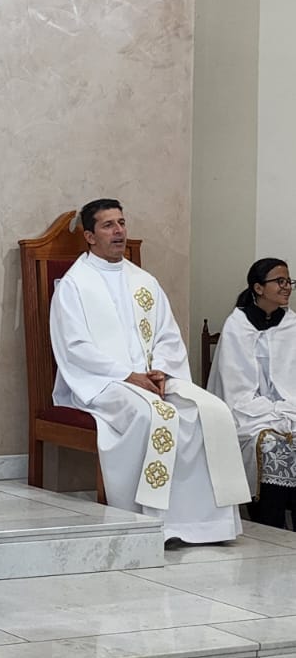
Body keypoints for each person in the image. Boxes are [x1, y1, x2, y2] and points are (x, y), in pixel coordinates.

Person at [50, 198, 249, 543]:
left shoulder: (144, 281)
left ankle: (206, 525)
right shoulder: (74, 284)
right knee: (153, 415)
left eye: (122, 223)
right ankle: (150, 522)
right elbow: (75, 347)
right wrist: (129, 376)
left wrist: (161, 371)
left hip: (152, 378)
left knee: (211, 411)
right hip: (102, 383)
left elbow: (167, 335)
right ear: (90, 236)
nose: (119, 231)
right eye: (108, 225)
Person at [208, 258, 296, 528]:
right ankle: (270, 524)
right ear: (258, 288)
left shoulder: (291, 324)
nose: (287, 287)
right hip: (246, 413)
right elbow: (235, 388)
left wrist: (284, 410)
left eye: (288, 281)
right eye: (279, 281)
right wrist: (272, 412)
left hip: (289, 408)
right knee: (267, 443)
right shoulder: (237, 325)